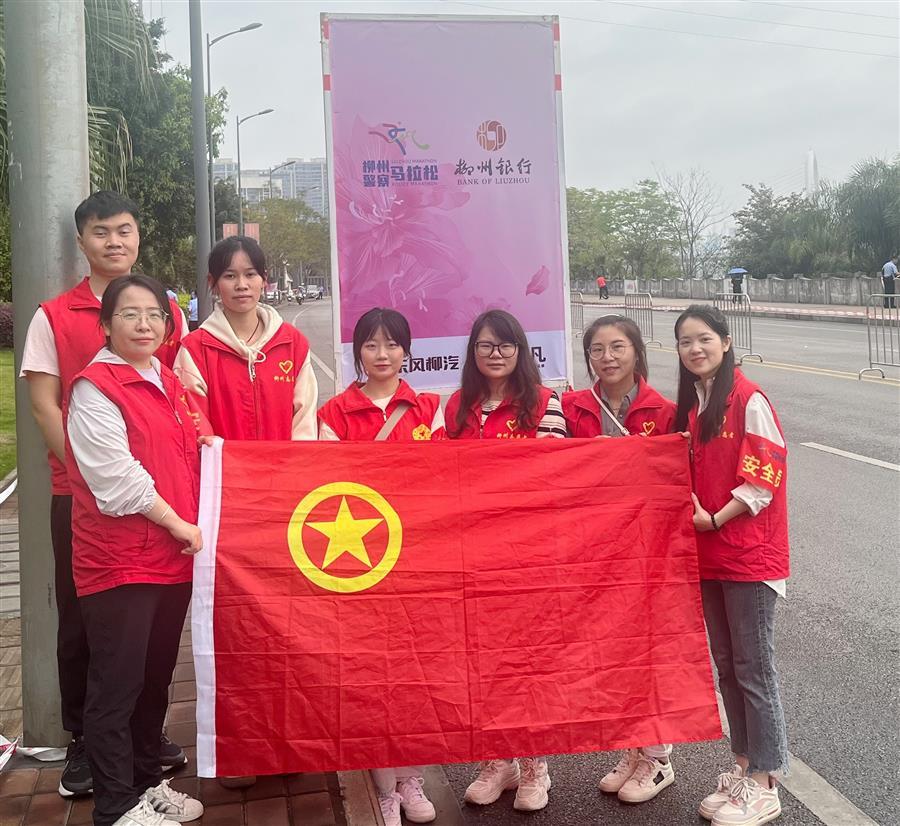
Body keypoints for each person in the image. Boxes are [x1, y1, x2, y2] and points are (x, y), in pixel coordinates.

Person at [19, 191, 188, 798]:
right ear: (81, 241)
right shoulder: (53, 315)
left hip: (157, 498)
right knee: (85, 624)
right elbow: (44, 405)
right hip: (83, 492)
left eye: (124, 230)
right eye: (100, 232)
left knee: (150, 629)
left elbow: (175, 389)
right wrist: (92, 476)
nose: (114, 242)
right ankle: (85, 745)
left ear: (138, 236)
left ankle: (142, 742)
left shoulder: (162, 307)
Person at [66, 274, 206, 826]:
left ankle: (149, 783)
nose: (144, 324)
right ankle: (116, 806)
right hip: (120, 563)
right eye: (129, 314)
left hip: (170, 558)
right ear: (105, 325)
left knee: (153, 680)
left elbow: (186, 452)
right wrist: (179, 524)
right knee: (116, 687)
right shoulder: (94, 388)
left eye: (154, 314)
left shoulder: (166, 379)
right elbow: (117, 481)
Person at [317, 308, 443, 826]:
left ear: (407, 351)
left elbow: (444, 480)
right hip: (360, 564)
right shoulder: (334, 414)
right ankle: (383, 786)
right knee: (369, 676)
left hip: (419, 561)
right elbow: (323, 487)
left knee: (415, 675)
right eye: (371, 345)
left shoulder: (430, 407)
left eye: (392, 345)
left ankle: (411, 779)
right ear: (358, 353)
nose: (383, 354)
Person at [445, 309, 565, 813]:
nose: (495, 355)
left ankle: (536, 765)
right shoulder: (456, 407)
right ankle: (497, 761)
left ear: (520, 351)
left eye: (505, 345)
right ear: (472, 352)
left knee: (528, 660)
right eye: (485, 346)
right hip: (472, 554)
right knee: (481, 660)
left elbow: (552, 475)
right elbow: (439, 478)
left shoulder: (544, 402)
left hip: (526, 554)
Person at [674, 305, 789, 826]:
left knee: (753, 669)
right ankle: (743, 766)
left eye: (704, 338)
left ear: (724, 341)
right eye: (685, 342)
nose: (694, 349)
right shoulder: (697, 406)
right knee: (727, 666)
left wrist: (716, 519)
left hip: (749, 556)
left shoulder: (748, 398)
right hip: (711, 556)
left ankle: (765, 782)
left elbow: (764, 479)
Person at [561, 314, 677, 803]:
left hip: (647, 549)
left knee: (651, 650)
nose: (607, 358)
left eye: (617, 347)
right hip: (595, 549)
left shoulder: (665, 412)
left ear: (636, 352)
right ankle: (633, 748)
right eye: (597, 349)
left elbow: (676, 479)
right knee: (616, 652)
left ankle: (659, 757)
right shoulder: (572, 407)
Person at [174, 236, 318, 442]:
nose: (242, 285)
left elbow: (305, 423)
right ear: (213, 283)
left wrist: (296, 460)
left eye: (250, 274)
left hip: (286, 462)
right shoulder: (195, 350)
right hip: (223, 463)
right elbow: (194, 427)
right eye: (230, 276)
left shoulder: (292, 343)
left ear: (264, 279)